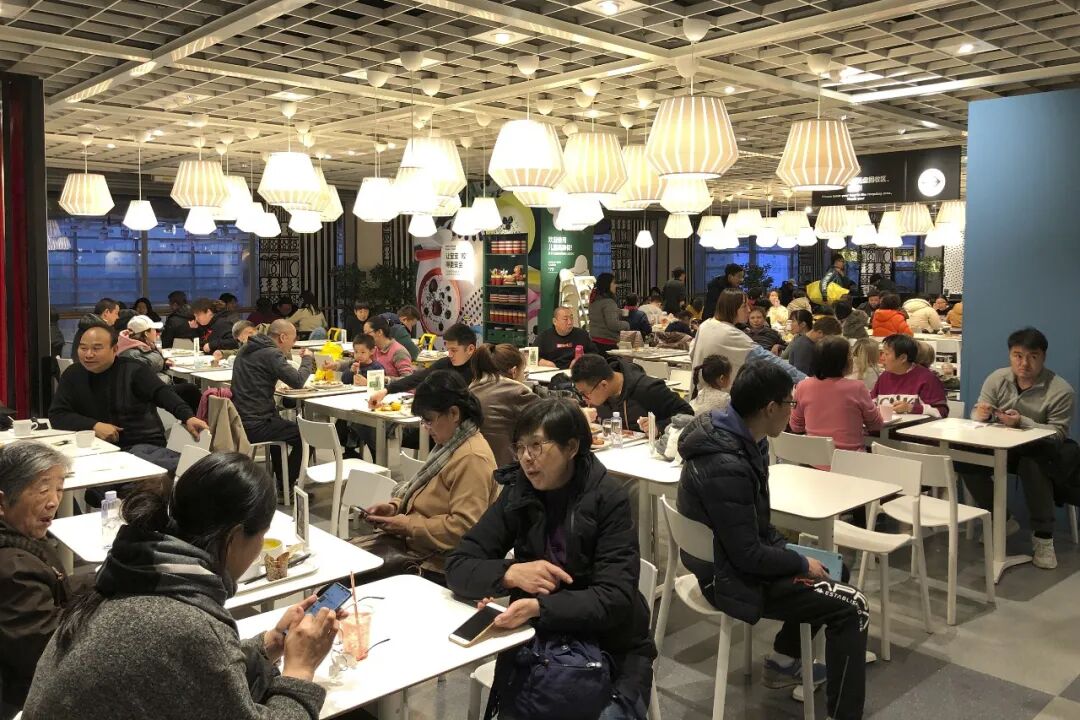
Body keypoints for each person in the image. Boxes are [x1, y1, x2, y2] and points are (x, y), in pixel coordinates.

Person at [23, 454, 338, 720]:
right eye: (261, 537)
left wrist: (268, 645)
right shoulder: (188, 623)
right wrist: (300, 670)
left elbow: (189, 671)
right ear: (234, 537)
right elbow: (193, 652)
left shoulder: (131, 572)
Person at [678, 362, 869, 720]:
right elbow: (748, 554)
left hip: (727, 562)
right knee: (853, 605)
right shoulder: (727, 462)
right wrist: (798, 561)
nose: (792, 411)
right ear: (770, 408)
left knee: (834, 569)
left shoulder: (736, 438)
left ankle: (784, 660)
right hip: (728, 578)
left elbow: (755, 530)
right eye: (790, 403)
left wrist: (790, 552)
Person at [446, 398, 657, 719]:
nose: (526, 458)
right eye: (520, 447)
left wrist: (539, 607)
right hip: (538, 643)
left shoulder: (608, 499)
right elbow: (459, 565)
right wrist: (511, 573)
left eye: (537, 446)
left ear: (571, 447)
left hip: (611, 647)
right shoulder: (520, 493)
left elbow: (615, 598)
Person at [960, 328, 1076, 570]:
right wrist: (980, 414)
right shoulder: (997, 378)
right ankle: (1002, 520)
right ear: (1010, 355)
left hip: (1040, 449)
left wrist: (1022, 422)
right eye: (1018, 356)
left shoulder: (1060, 390)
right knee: (964, 458)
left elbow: (1058, 433)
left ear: (1043, 357)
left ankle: (1043, 537)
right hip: (1000, 444)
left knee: (1033, 464)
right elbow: (978, 413)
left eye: (1033, 356)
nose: (1024, 363)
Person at [362, 371, 497, 576]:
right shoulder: (449, 445)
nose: (425, 428)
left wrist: (407, 525)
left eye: (429, 420)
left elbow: (463, 528)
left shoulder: (472, 458)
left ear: (454, 413)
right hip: (418, 549)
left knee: (349, 577)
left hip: (438, 564)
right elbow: (425, 496)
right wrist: (394, 508)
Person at [0, 443, 90, 715]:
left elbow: (59, 586)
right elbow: (46, 649)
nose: (53, 501)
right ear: (2, 502)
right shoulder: (12, 568)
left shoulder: (22, 538)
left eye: (59, 489)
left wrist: (103, 581)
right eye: (42, 490)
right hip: (22, 698)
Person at [49, 322, 207, 474]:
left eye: (97, 348)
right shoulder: (73, 374)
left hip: (140, 446)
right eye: (83, 348)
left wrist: (188, 416)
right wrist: (94, 426)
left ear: (114, 349)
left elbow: (162, 393)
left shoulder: (133, 370)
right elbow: (57, 414)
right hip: (95, 450)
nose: (88, 354)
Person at [231, 319, 314, 490]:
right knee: (308, 436)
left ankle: (282, 482)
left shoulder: (246, 348)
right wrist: (307, 359)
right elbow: (297, 381)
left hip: (239, 419)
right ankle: (286, 484)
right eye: (293, 340)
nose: (293, 344)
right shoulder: (271, 353)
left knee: (278, 424)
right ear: (283, 337)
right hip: (256, 423)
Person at [692, 289, 806, 394]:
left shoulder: (705, 325)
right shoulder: (730, 333)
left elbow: (692, 353)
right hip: (721, 400)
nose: (749, 309)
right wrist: (805, 380)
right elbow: (768, 360)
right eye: (744, 306)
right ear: (732, 308)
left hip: (699, 393)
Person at [791, 336, 883, 455]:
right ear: (842, 362)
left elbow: (796, 426)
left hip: (814, 458)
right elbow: (876, 425)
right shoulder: (857, 388)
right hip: (850, 459)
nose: (852, 359)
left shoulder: (803, 386)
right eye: (850, 355)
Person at [571, 353, 693, 434]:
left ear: (603, 385)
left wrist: (658, 427)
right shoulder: (597, 390)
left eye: (585, 394)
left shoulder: (647, 389)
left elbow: (688, 414)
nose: (584, 399)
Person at [367, 323, 478, 408]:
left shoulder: (481, 367)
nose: (450, 354)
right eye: (448, 350)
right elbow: (418, 378)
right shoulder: (446, 363)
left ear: (470, 349)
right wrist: (386, 391)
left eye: (454, 350)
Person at [469, 344, 539, 467]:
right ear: (514, 371)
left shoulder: (472, 389)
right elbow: (548, 414)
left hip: (476, 463)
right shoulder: (515, 391)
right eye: (523, 371)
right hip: (504, 468)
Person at [871, 334, 949, 417]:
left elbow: (942, 412)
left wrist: (911, 408)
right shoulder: (884, 377)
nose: (882, 358)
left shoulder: (927, 379)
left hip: (917, 425)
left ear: (903, 358)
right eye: (882, 353)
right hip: (887, 424)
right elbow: (871, 402)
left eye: (886, 354)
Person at [588, 273, 629, 354]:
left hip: (594, 341)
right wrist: (627, 324)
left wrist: (617, 312)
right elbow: (613, 324)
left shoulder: (594, 300)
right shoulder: (609, 302)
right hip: (607, 343)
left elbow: (600, 316)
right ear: (607, 284)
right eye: (614, 283)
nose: (616, 286)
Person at [781, 309, 816, 377]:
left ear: (803, 324)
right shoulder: (798, 337)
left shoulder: (804, 342)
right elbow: (784, 356)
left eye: (793, 321)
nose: (791, 324)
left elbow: (800, 371)